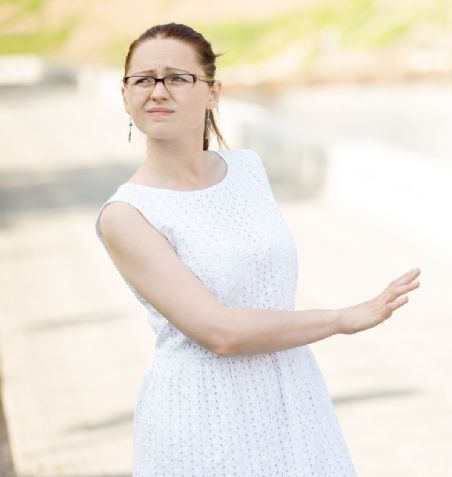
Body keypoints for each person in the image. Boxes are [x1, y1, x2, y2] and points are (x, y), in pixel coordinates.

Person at [95, 23, 420, 476]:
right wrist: (343, 319)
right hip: (204, 418)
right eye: (143, 79)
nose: (158, 91)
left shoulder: (247, 169)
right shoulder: (127, 215)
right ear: (126, 95)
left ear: (213, 92)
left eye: (177, 77)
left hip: (294, 394)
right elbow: (219, 332)